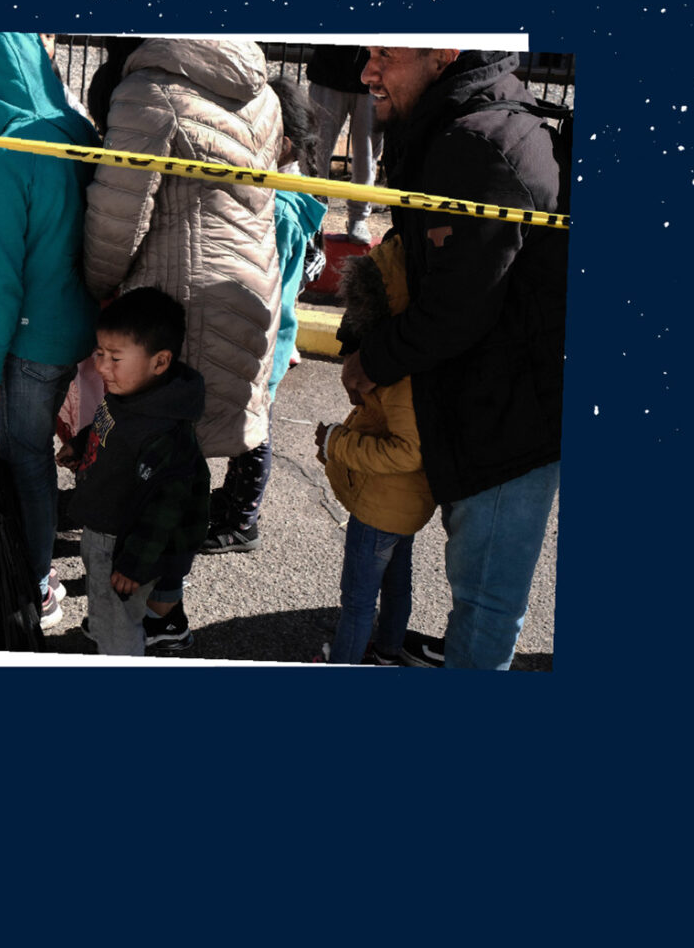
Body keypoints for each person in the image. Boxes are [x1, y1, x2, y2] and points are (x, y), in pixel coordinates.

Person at [342, 47, 565, 670]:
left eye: (386, 53)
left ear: (443, 53)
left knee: (486, 602)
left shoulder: (476, 143)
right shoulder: (460, 124)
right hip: (492, 399)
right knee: (484, 597)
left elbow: (456, 309)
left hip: (509, 419)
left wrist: (370, 360)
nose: (367, 71)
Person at [80, 38, 285, 466]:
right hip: (254, 280)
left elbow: (118, 215)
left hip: (181, 293)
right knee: (191, 452)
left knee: (155, 451)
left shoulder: (150, 90)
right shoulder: (263, 95)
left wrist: (95, 284)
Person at [0, 33, 96, 629]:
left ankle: (37, 584)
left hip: (30, 339)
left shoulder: (7, 151)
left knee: (27, 460)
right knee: (38, 457)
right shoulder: (77, 132)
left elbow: (4, 279)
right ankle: (42, 566)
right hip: (77, 325)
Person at [202, 77, 328, 556]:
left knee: (254, 437)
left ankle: (242, 520)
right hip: (265, 338)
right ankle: (234, 502)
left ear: (282, 143)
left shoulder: (277, 208)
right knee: (249, 430)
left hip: (263, 340)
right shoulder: (282, 193)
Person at [63, 287, 210, 657]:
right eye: (99, 354)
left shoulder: (163, 432)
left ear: (160, 362)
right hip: (104, 530)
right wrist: (82, 444)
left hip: (121, 544)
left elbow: (164, 510)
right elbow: (108, 425)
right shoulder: (132, 393)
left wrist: (133, 565)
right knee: (107, 613)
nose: (100, 367)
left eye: (114, 357)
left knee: (118, 628)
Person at [316, 237, 435, 665]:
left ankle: (344, 663)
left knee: (358, 599)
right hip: (405, 506)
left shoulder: (397, 371)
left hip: (381, 505)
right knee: (397, 584)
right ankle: (387, 650)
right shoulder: (415, 352)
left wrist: (336, 443)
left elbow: (407, 452)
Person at [303, 43, 380, 243]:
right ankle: (311, 214)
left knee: (367, 154)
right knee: (315, 152)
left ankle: (358, 217)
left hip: (373, 74)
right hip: (328, 69)